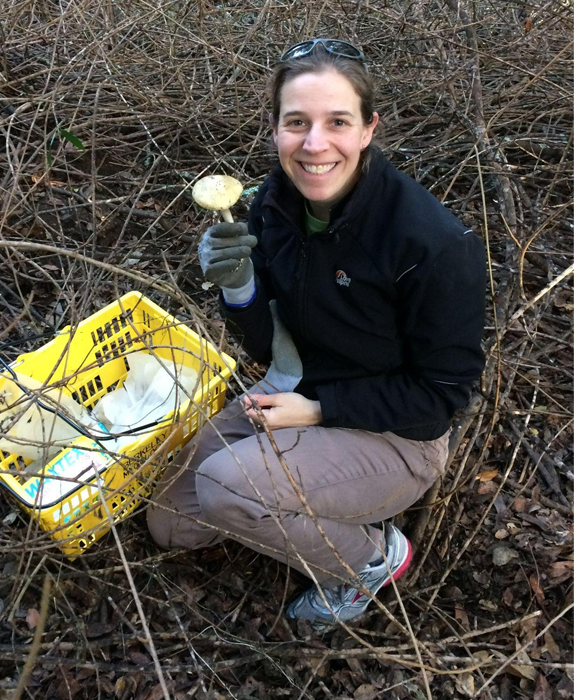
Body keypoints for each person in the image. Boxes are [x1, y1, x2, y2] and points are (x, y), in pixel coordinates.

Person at [147, 39, 486, 624]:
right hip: (295, 387)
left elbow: (443, 395)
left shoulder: (430, 243)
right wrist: (240, 289)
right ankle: (278, 504)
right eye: (296, 122)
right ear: (275, 127)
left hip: (398, 437)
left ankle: (371, 560)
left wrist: (316, 411)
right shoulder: (273, 205)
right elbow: (268, 343)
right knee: (172, 521)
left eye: (337, 122)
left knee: (227, 488)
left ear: (368, 129)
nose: (314, 144)